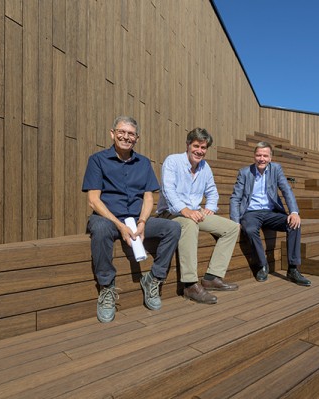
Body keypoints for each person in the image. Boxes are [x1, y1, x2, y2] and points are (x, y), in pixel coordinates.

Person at [82, 116, 181, 322]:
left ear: (137, 138)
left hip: (136, 218)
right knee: (99, 230)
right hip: (107, 218)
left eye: (131, 134)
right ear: (112, 133)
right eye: (122, 132)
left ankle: (153, 279)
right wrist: (119, 226)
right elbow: (93, 200)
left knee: (173, 228)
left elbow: (148, 197)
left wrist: (142, 222)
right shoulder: (97, 160)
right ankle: (107, 288)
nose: (126, 137)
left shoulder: (144, 163)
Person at [158, 128, 240, 304]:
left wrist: (209, 208)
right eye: (196, 146)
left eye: (203, 148)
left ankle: (212, 277)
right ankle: (190, 285)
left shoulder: (205, 167)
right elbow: (168, 190)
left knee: (232, 228)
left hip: (195, 212)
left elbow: (212, 192)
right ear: (188, 145)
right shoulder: (172, 161)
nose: (200, 151)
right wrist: (185, 210)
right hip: (171, 213)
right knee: (189, 225)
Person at [229, 141, 311, 286]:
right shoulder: (244, 172)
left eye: (265, 156)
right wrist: (235, 220)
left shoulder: (276, 169)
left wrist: (294, 212)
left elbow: (286, 190)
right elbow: (235, 197)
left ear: (270, 158)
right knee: (249, 229)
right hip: (251, 212)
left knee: (294, 224)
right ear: (254, 156)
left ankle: (293, 269)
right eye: (258, 155)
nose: (262, 159)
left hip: (271, 212)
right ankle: (262, 265)